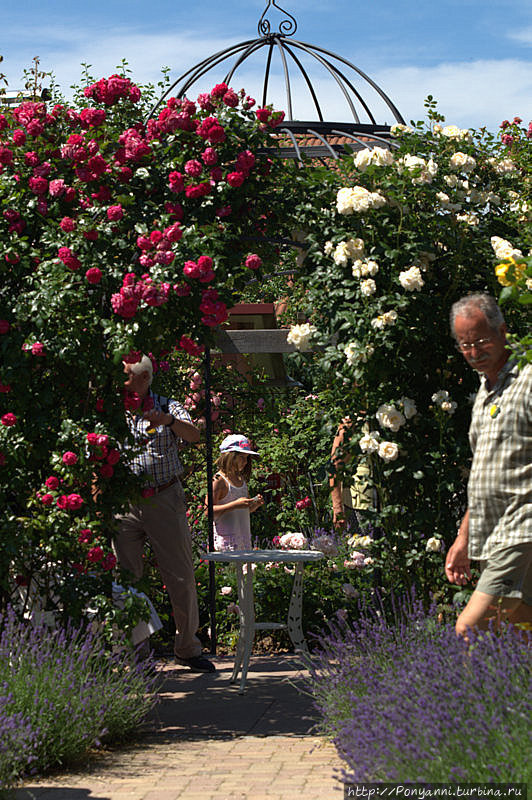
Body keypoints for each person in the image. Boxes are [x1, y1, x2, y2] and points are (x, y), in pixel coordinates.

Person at [115, 354, 215, 672]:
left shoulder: (167, 405)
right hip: (124, 504)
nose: (121, 382)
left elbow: (195, 435)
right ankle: (135, 653)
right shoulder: (113, 410)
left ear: (143, 378)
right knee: (126, 580)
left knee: (180, 576)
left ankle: (187, 648)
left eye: (126, 376)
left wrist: (167, 421)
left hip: (163, 498)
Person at [446, 293, 532, 637]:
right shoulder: (485, 391)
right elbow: (482, 472)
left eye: (480, 341)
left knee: (470, 628)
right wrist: (463, 538)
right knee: (520, 626)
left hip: (522, 525)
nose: (473, 352)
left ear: (503, 332)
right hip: (495, 531)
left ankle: (467, 693)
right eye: (464, 345)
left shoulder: (528, 380)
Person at [209, 435, 264, 551]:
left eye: (247, 458)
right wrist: (234, 505)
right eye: (242, 457)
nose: (245, 462)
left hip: (243, 539)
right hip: (226, 544)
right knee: (230, 569)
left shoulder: (240, 479)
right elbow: (208, 512)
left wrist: (254, 504)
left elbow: (244, 509)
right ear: (230, 456)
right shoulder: (218, 481)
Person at [330, 417, 373, 532]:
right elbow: (335, 467)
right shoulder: (351, 424)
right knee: (362, 547)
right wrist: (338, 508)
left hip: (387, 504)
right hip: (360, 507)